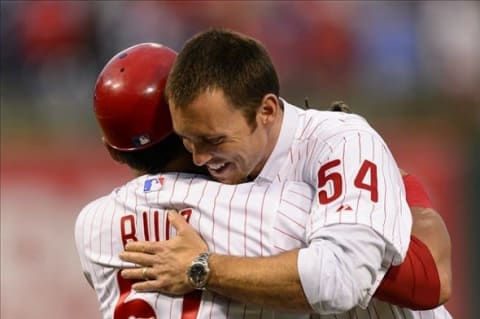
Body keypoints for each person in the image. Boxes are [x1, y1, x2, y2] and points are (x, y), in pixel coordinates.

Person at [118, 29, 452, 318]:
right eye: (188, 141)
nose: (201, 156)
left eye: (214, 140)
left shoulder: (337, 143)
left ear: (266, 111)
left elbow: (357, 281)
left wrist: (203, 267)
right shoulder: (217, 164)